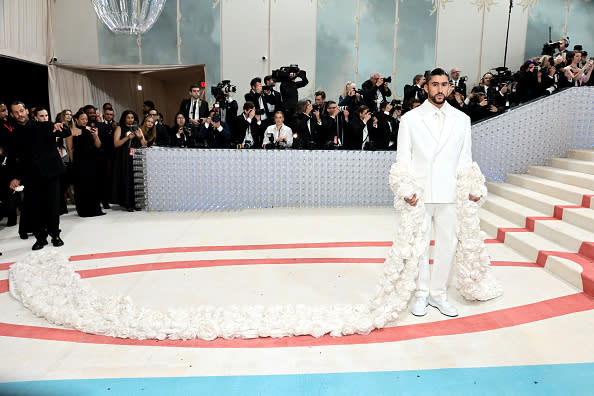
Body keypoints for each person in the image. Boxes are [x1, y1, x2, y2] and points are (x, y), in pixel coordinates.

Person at [396, 68, 480, 318]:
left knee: (447, 246)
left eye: (444, 84)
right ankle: (421, 294)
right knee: (419, 247)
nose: (440, 89)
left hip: (450, 193)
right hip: (419, 194)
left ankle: (438, 294)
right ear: (426, 88)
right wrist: (406, 189)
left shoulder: (462, 120)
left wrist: (472, 187)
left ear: (450, 88)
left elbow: (466, 159)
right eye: (435, 84)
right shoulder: (410, 120)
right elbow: (403, 159)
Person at [8, 101, 71, 250]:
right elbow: (12, 158)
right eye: (16, 112)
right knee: (35, 208)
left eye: (21, 110)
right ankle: (40, 238)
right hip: (30, 176)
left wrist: (60, 126)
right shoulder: (14, 134)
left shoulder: (43, 125)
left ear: (27, 111)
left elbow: (66, 133)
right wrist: (14, 177)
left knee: (53, 206)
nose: (19, 114)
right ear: (12, 115)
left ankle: (55, 235)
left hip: (51, 173)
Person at [67, 111, 104, 217]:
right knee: (81, 187)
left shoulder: (90, 129)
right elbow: (70, 149)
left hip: (92, 161)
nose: (85, 121)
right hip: (79, 162)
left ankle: (95, 210)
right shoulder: (71, 131)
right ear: (76, 119)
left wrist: (96, 136)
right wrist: (74, 163)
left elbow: (98, 145)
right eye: (82, 119)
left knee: (93, 185)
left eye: (86, 119)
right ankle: (83, 210)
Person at [111, 110, 146, 212]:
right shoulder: (119, 128)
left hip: (135, 157)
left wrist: (140, 137)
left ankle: (137, 203)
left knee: (135, 179)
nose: (130, 120)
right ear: (124, 118)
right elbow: (116, 144)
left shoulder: (137, 128)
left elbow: (144, 145)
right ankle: (127, 203)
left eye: (132, 118)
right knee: (126, 179)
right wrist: (127, 137)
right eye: (128, 117)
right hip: (123, 157)